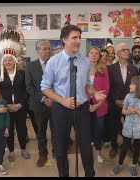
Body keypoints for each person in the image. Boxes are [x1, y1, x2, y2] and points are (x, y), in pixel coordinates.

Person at [40, 24, 106, 177]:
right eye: (74, 38)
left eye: (79, 38)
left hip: (82, 109)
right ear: (64, 39)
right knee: (61, 148)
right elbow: (45, 87)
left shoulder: (84, 61)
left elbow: (87, 84)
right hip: (61, 110)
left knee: (85, 146)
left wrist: (94, 93)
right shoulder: (53, 62)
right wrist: (62, 100)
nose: (78, 41)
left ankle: (90, 174)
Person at [0, 28, 31, 162]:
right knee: (8, 130)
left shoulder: (22, 74)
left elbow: (26, 90)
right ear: (3, 62)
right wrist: (7, 105)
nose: (8, 62)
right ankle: (11, 151)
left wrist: (20, 104)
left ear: (14, 61)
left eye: (10, 60)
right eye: (5, 61)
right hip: (7, 108)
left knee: (22, 129)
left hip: (20, 107)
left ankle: (23, 149)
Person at [110, 75, 140, 177]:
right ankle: (119, 165)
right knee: (124, 147)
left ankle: (133, 165)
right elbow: (123, 111)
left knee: (137, 149)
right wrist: (129, 111)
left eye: (132, 84)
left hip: (139, 129)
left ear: (138, 86)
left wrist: (138, 112)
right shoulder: (128, 96)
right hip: (128, 127)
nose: (130, 85)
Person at [25, 39, 56, 166]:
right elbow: (29, 87)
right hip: (39, 104)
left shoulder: (56, 64)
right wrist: (44, 99)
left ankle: (56, 151)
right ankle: (43, 154)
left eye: (49, 49)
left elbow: (61, 84)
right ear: (38, 51)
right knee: (41, 132)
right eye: (44, 49)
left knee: (56, 130)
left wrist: (53, 98)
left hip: (55, 103)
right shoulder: (30, 66)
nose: (48, 51)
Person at [107, 43, 138, 159]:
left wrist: (128, 101)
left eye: (127, 49)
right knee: (114, 126)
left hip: (129, 104)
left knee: (129, 126)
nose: (127, 52)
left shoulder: (134, 69)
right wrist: (115, 100)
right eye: (124, 50)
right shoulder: (110, 69)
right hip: (115, 103)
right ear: (118, 53)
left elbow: (135, 86)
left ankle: (127, 146)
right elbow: (108, 87)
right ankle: (114, 146)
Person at [86, 46, 110, 164]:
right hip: (85, 104)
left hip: (100, 105)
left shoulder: (103, 69)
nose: (94, 55)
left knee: (99, 129)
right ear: (88, 55)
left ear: (99, 56)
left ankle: (98, 152)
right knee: (87, 128)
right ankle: (88, 150)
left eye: (96, 53)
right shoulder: (82, 69)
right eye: (91, 53)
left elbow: (106, 89)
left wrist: (97, 105)